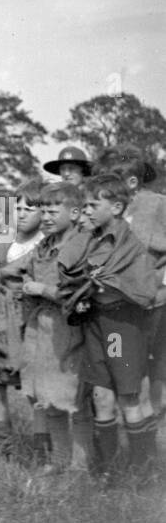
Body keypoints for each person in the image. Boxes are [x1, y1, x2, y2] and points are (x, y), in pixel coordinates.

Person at [58, 173, 162, 480]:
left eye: (93, 204)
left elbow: (142, 290)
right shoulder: (88, 238)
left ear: (116, 208)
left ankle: (143, 471)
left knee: (128, 396)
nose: (87, 210)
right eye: (85, 204)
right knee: (101, 396)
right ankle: (108, 473)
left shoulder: (130, 244)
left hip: (120, 326)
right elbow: (68, 269)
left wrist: (104, 281)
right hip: (95, 323)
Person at [4, 182, 87, 474]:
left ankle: (79, 464)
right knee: (47, 399)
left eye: (54, 211)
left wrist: (40, 288)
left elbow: (79, 293)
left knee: (70, 399)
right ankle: (59, 459)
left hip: (68, 327)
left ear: (75, 213)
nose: (48, 217)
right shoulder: (45, 244)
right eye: (44, 211)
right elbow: (15, 268)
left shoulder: (80, 245)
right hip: (41, 327)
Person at [0, 180, 46, 454]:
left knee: (36, 389)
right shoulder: (0, 243)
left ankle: (45, 449)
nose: (22, 213)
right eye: (17, 207)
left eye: (30, 208)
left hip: (34, 317)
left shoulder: (47, 243)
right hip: (4, 318)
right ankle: (1, 446)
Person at [105, 145, 166, 442]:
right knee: (124, 369)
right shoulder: (112, 209)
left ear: (131, 182)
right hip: (116, 302)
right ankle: (133, 430)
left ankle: (151, 434)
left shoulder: (156, 205)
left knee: (150, 364)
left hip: (153, 300)